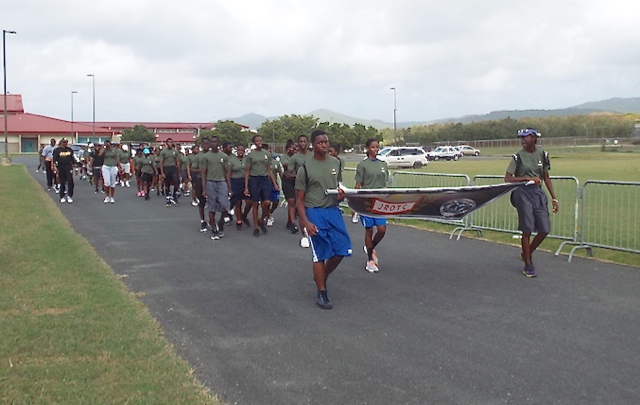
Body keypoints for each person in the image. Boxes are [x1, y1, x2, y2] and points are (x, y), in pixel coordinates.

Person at [296, 129, 352, 310]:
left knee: (342, 248)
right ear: (313, 145)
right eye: (320, 142)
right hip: (314, 212)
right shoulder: (305, 168)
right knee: (320, 252)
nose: (324, 145)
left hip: (332, 211)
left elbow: (338, 188)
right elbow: (299, 199)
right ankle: (322, 291)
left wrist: (341, 195)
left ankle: (322, 275)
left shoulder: (336, 163)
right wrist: (305, 222)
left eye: (326, 142)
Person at [504, 128, 559, 278]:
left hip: (537, 193)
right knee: (527, 229)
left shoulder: (543, 155)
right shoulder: (518, 157)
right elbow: (508, 178)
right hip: (522, 193)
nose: (523, 141)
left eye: (526, 138)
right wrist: (525, 179)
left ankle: (525, 253)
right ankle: (528, 264)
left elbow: (546, 177)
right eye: (521, 138)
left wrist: (554, 198)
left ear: (534, 138)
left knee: (544, 229)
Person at [354, 138, 390, 273]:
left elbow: (385, 184)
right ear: (367, 148)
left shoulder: (383, 164)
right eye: (373, 147)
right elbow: (358, 185)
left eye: (377, 147)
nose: (376, 150)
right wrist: (355, 204)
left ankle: (370, 247)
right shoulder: (362, 165)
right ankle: (370, 260)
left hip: (380, 201)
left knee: (381, 229)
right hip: (366, 202)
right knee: (369, 230)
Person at [244, 135, 279, 237]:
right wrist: (246, 187)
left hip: (265, 179)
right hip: (254, 179)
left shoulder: (267, 154)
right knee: (255, 204)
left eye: (260, 140)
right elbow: (247, 171)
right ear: (254, 143)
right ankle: (255, 227)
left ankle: (261, 219)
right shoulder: (250, 155)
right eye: (257, 141)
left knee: (267, 203)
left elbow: (269, 169)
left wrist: (275, 184)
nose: (259, 142)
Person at [200, 136, 231, 240]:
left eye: (216, 142)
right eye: (212, 142)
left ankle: (221, 223)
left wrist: (229, 187)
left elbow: (227, 172)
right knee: (212, 207)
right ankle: (214, 229)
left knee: (224, 205)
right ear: (209, 144)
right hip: (210, 182)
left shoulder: (224, 156)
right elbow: (203, 173)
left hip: (221, 182)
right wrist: (204, 189)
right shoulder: (205, 157)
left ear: (219, 143)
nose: (214, 144)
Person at [291, 135, 311, 246]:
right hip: (300, 186)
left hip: (312, 186)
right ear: (298, 143)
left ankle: (311, 230)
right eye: (301, 141)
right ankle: (303, 235)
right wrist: (300, 176)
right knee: (301, 209)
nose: (303, 143)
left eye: (305, 141)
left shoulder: (312, 156)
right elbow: (289, 172)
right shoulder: (294, 158)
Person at [227, 143, 252, 230]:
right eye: (239, 150)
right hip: (235, 181)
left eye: (242, 150)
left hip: (246, 181)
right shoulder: (232, 160)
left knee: (249, 202)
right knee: (238, 202)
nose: (240, 152)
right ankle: (239, 220)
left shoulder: (247, 160)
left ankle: (244, 215)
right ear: (236, 151)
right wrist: (229, 187)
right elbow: (229, 174)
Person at [280, 140, 299, 233]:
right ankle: (292, 223)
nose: (295, 150)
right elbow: (288, 165)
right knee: (291, 200)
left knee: (295, 201)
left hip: (297, 180)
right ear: (288, 150)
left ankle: (289, 220)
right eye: (293, 149)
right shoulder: (284, 157)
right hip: (287, 181)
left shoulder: (298, 157)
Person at [263, 143, 283, 227]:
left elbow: (280, 173)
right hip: (265, 183)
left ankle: (270, 213)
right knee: (266, 202)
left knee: (275, 201)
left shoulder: (276, 162)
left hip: (274, 184)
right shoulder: (261, 163)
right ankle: (268, 216)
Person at [52, 139, 77, 203]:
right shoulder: (57, 150)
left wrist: (75, 168)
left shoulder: (69, 150)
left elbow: (73, 159)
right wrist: (55, 168)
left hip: (68, 167)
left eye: (66, 142)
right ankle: (62, 196)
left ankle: (69, 196)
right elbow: (54, 160)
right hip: (60, 167)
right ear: (61, 143)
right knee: (62, 182)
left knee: (70, 182)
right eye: (63, 142)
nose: (65, 144)